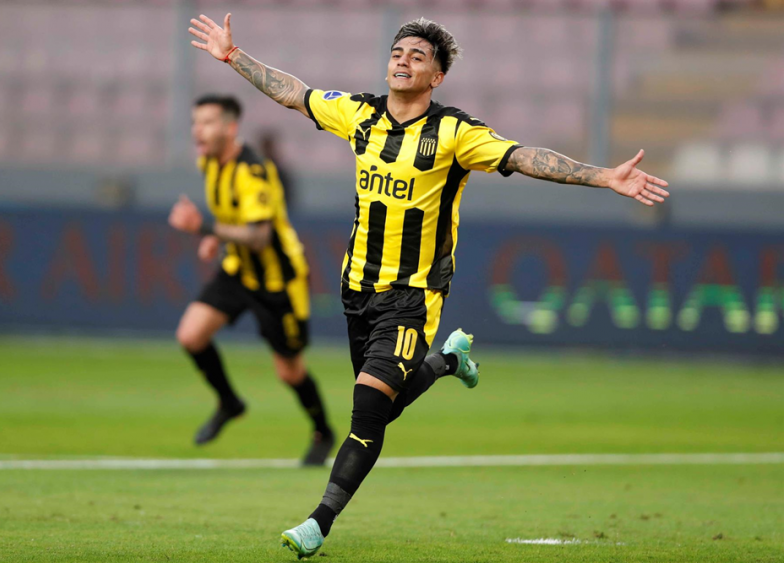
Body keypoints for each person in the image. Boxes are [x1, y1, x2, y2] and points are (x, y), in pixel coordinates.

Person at [188, 14, 670, 558]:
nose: (403, 61)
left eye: (417, 56)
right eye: (398, 52)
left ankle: (318, 523)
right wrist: (234, 57)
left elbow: (522, 157)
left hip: (413, 297)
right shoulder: (360, 115)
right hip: (357, 289)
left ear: (436, 77)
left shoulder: (455, 133)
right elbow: (294, 94)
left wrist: (603, 176)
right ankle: (446, 363)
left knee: (367, 411)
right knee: (384, 406)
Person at [168, 94, 334, 467]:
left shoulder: (253, 170)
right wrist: (216, 238)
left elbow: (259, 236)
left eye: (207, 122)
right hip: (239, 271)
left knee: (289, 372)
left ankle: (323, 431)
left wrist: (204, 228)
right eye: (195, 122)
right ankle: (230, 403)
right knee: (191, 336)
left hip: (278, 281)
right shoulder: (209, 162)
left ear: (230, 128)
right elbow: (234, 214)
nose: (198, 130)